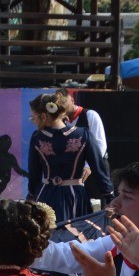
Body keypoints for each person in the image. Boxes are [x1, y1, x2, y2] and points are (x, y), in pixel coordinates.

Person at [33, 161, 139, 276]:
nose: (114, 203)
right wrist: (21, 244)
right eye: (118, 194)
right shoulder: (118, 241)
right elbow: (64, 255)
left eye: (127, 197)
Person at [27, 89, 105, 224]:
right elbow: (99, 167)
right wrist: (109, 195)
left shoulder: (37, 138)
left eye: (33, 118)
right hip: (75, 194)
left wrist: (31, 196)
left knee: (47, 234)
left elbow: (34, 173)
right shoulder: (83, 134)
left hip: (47, 194)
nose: (33, 121)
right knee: (75, 236)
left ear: (44, 117)